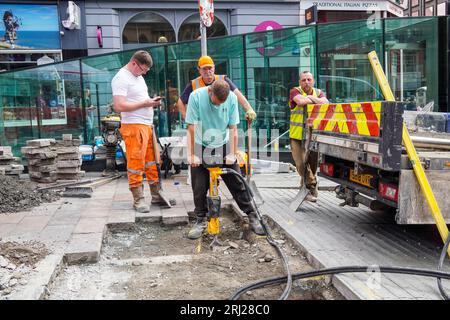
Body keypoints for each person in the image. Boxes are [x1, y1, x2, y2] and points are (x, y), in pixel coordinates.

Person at [185, 80, 264, 239]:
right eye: (217, 101)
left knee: (237, 182)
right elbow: (191, 128)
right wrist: (192, 154)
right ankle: (200, 220)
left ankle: (252, 215)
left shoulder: (232, 98)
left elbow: (233, 129)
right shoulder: (196, 97)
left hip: (223, 143)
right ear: (210, 92)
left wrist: (232, 153)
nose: (220, 105)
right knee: (199, 186)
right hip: (201, 143)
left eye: (223, 102)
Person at [111, 50, 165, 213]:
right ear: (134, 63)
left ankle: (156, 195)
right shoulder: (121, 78)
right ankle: (138, 199)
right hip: (133, 126)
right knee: (136, 163)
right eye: (143, 69)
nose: (145, 72)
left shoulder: (137, 77)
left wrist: (149, 103)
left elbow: (139, 99)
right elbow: (119, 106)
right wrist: (145, 104)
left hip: (146, 126)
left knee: (152, 161)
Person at [176, 55, 257, 122]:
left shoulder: (223, 80)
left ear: (214, 68)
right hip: (202, 123)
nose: (208, 71)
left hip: (220, 121)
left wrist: (249, 109)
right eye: (204, 69)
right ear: (199, 70)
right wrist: (187, 118)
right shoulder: (194, 84)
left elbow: (237, 94)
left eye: (210, 68)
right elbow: (180, 101)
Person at [289, 71, 329, 202]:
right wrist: (314, 100)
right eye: (304, 80)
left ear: (313, 81)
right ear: (300, 82)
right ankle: (312, 184)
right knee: (300, 164)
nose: (306, 82)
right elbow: (300, 102)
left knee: (312, 165)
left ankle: (305, 190)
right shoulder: (294, 91)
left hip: (313, 136)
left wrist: (310, 99)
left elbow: (326, 103)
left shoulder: (319, 92)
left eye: (309, 80)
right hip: (297, 135)